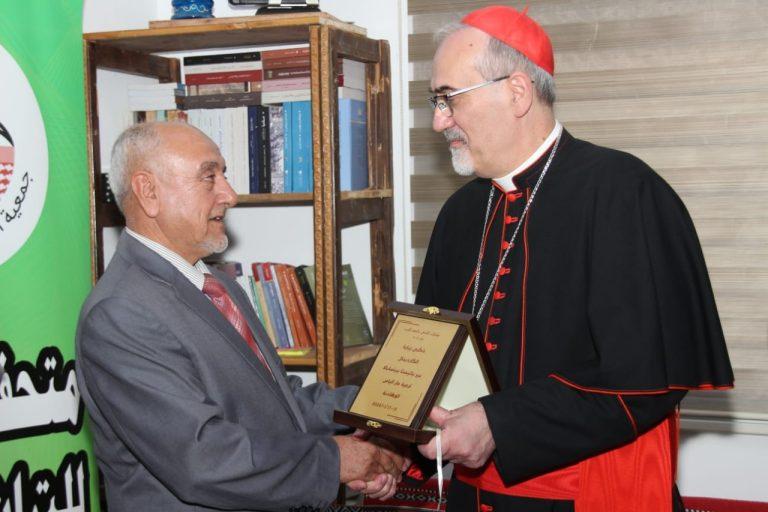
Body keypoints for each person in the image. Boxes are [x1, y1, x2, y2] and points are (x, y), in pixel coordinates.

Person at [412, 6, 734, 512]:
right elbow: (426, 357)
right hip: (471, 496)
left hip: (589, 494)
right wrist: (389, 440)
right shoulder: (460, 213)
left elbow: (645, 378)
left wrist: (499, 422)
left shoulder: (624, 192)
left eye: (449, 98)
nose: (438, 121)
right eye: (435, 101)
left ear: (517, 92)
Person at [75, 121, 407, 511]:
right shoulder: (119, 314)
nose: (230, 195)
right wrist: (337, 461)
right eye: (208, 177)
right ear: (149, 192)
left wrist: (382, 408)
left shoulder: (217, 284)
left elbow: (278, 402)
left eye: (224, 175)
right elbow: (204, 459)